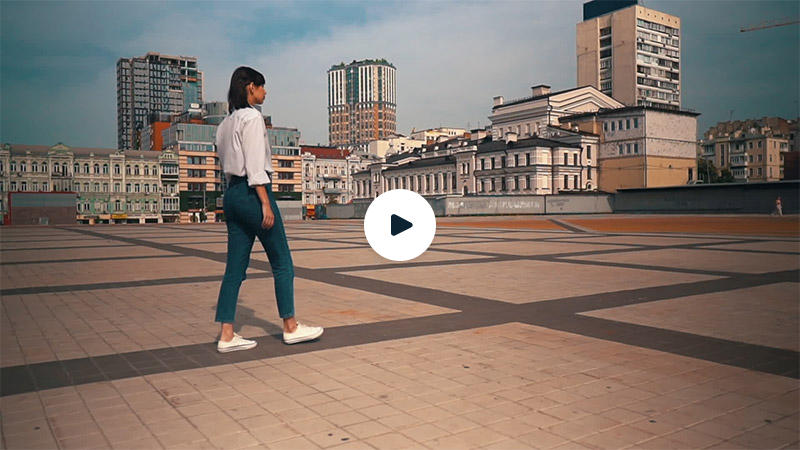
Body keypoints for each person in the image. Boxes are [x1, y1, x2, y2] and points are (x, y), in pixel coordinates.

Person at [214, 66, 323, 353]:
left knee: (234, 268)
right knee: (282, 261)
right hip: (253, 194)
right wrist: (264, 202)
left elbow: (227, 164)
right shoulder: (252, 117)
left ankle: (226, 334)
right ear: (250, 87)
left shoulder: (224, 125)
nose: (266, 92)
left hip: (232, 195)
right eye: (262, 86)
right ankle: (290, 327)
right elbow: (254, 164)